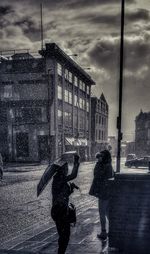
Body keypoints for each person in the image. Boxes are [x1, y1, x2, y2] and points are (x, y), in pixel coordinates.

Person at [51, 153, 80, 254]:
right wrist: (76, 162)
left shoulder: (61, 179)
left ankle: (61, 251)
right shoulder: (59, 179)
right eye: (66, 168)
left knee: (64, 235)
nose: (67, 169)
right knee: (65, 235)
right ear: (62, 170)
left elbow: (63, 194)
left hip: (61, 209)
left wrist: (70, 189)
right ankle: (61, 252)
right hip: (60, 211)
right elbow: (74, 175)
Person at [89, 150, 114, 240]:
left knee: (102, 213)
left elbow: (98, 176)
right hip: (105, 192)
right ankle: (112, 230)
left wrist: (98, 165)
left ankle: (104, 232)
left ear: (105, 157)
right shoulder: (106, 165)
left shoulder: (105, 166)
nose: (100, 158)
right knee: (107, 212)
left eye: (101, 156)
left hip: (104, 193)